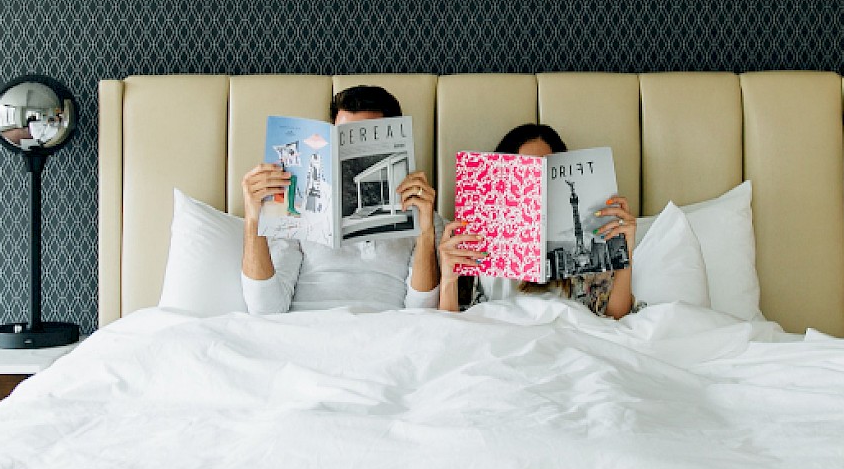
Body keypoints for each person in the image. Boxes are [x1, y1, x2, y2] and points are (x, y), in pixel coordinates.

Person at [240, 86, 440, 313]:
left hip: (385, 334)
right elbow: (265, 309)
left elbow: (423, 311)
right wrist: (253, 218)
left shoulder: (426, 216)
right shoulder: (297, 210)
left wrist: (426, 233)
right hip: (308, 330)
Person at [438, 123, 641, 319]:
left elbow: (615, 320)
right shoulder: (472, 241)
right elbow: (452, 330)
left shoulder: (585, 253)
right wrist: (448, 278)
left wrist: (625, 251)